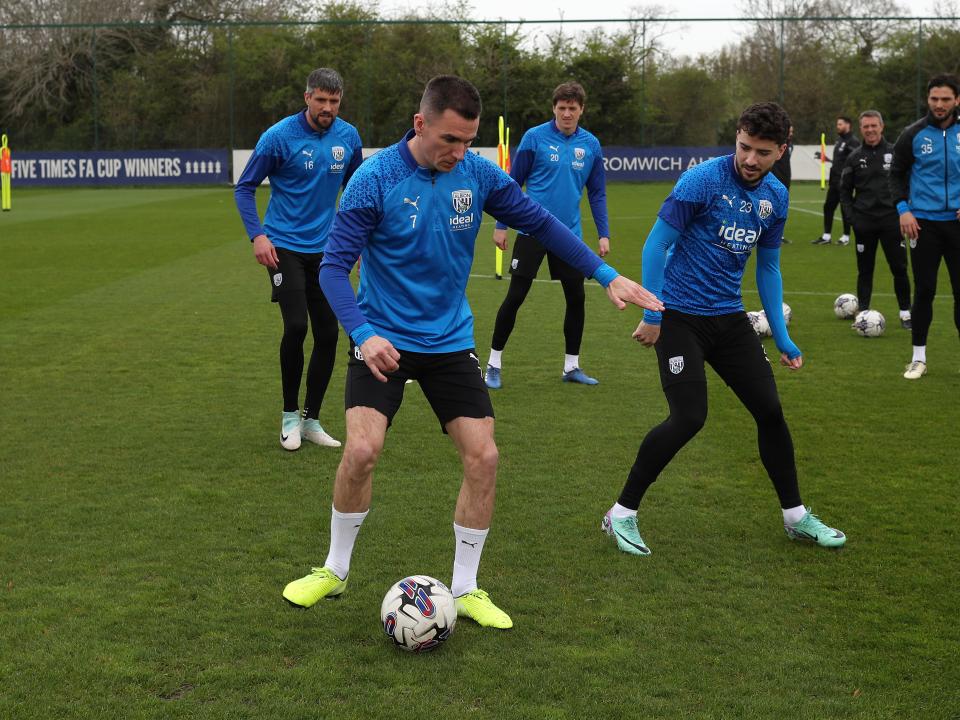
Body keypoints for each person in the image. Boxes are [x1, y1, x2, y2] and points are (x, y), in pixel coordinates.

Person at [281, 76, 663, 627]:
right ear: (420, 123)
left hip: (450, 341)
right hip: (383, 339)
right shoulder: (375, 178)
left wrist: (606, 273)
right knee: (362, 451)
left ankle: (466, 587)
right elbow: (333, 269)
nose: (458, 152)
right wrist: (364, 334)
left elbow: (543, 224)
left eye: (468, 141)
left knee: (483, 457)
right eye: (449, 140)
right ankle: (334, 570)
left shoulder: (478, 175)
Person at [602, 102, 846, 557]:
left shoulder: (776, 195)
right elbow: (657, 245)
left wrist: (785, 336)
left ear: (782, 150)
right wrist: (654, 315)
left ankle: (795, 517)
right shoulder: (703, 179)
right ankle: (621, 513)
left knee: (770, 412)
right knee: (690, 416)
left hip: (730, 319)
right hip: (678, 317)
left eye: (763, 152)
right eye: (745, 147)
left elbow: (768, 268)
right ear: (737, 136)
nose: (751, 159)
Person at [235, 68, 363, 450]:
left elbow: (357, 193)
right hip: (283, 247)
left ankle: (311, 419)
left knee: (328, 333)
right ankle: (289, 415)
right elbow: (244, 188)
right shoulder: (278, 137)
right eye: (321, 100)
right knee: (296, 326)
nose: (328, 108)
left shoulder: (349, 136)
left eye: (334, 102)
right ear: (307, 97)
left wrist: (358, 244)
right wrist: (258, 235)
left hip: (327, 250)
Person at [483, 82, 610, 389]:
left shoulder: (591, 145)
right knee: (516, 296)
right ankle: (493, 365)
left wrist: (603, 234)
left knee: (576, 297)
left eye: (573, 108)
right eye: (562, 107)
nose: (567, 113)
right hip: (532, 230)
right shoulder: (534, 138)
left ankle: (571, 367)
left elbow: (597, 193)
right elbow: (511, 185)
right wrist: (501, 225)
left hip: (569, 235)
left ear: (581, 110)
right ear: (554, 108)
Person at [890, 73, 960, 380]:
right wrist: (904, 210)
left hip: (957, 226)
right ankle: (918, 358)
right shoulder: (913, 134)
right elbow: (896, 173)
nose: (940, 105)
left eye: (946, 99)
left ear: (957, 100)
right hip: (923, 226)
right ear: (927, 100)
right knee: (925, 291)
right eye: (934, 99)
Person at [839, 110, 912, 328]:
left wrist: (905, 211)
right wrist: (852, 219)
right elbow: (844, 191)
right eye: (866, 126)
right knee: (865, 270)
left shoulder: (895, 153)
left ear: (882, 127)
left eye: (874, 126)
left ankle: (905, 313)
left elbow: (907, 185)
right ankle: (863, 312)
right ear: (861, 129)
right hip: (865, 223)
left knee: (899, 268)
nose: (870, 130)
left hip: (892, 222)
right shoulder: (854, 157)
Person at [813, 115, 860, 245]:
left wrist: (850, 180)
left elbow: (854, 161)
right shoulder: (839, 140)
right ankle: (826, 236)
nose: (837, 126)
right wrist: (826, 159)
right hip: (834, 182)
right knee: (828, 207)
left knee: (845, 209)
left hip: (845, 182)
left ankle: (846, 236)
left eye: (840, 124)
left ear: (847, 125)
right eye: (837, 124)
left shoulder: (853, 141)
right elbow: (839, 162)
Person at [770, 124, 793, 243]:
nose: (791, 133)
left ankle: (780, 235)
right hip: (777, 178)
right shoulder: (776, 143)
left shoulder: (790, 144)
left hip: (786, 178)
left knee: (781, 209)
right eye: (790, 131)